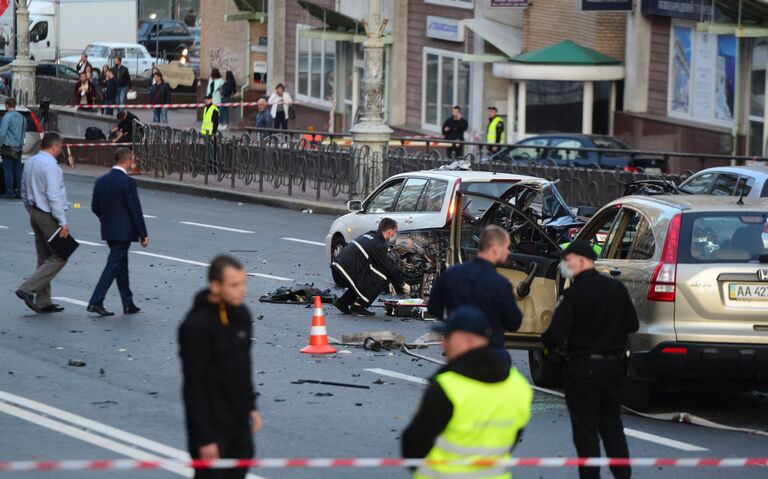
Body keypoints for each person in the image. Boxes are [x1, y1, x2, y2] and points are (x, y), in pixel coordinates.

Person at [542, 240, 639, 479]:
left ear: (582, 260)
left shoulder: (573, 295)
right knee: (612, 425)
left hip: (583, 370)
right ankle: (623, 475)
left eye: (568, 259)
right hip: (614, 368)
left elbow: (555, 335)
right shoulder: (617, 289)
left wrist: (546, 342)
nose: (565, 264)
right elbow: (632, 324)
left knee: (586, 431)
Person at [402, 306, 533, 479]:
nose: (444, 343)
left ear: (469, 341)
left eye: (449, 337)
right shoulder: (519, 387)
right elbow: (513, 439)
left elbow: (414, 445)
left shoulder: (447, 388)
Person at [179, 255, 262, 479]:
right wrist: (204, 438)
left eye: (243, 283)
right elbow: (193, 386)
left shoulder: (241, 315)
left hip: (238, 423)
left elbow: (244, 367)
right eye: (234, 285)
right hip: (211, 426)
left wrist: (251, 405)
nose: (242, 290)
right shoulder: (196, 326)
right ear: (216, 286)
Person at [427, 225, 522, 365]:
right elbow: (514, 322)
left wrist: (454, 324)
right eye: (506, 247)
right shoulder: (501, 284)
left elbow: (433, 307)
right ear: (495, 248)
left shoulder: (451, 274)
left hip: (458, 351)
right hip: (489, 351)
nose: (508, 252)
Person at [86, 148, 149, 316]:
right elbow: (134, 209)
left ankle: (128, 303)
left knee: (121, 265)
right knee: (114, 265)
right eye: (132, 161)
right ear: (127, 161)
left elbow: (95, 206)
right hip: (124, 231)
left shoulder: (101, 181)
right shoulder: (128, 182)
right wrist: (143, 234)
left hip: (108, 230)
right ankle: (96, 301)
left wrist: (106, 220)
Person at [15, 132, 69, 314]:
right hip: (48, 214)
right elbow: (54, 195)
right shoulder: (51, 166)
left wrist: (29, 209)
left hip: (34, 212)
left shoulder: (31, 162)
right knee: (60, 255)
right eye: (60, 147)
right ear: (54, 146)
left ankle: (44, 301)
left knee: (44, 256)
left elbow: (23, 189)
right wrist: (63, 221)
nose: (60, 150)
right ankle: (27, 288)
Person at [331, 217, 409, 317]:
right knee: (383, 277)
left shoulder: (371, 234)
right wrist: (402, 283)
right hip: (346, 268)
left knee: (368, 276)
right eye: (395, 231)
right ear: (389, 232)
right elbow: (388, 268)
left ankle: (343, 302)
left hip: (339, 265)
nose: (395, 234)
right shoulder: (378, 245)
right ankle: (359, 306)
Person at [0, 97, 27, 198]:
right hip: (19, 147)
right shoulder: (22, 117)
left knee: (8, 170)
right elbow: (23, 132)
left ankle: (9, 191)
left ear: (7, 105)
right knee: (18, 170)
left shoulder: (7, 117)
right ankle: (20, 192)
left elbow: (2, 133)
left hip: (8, 146)